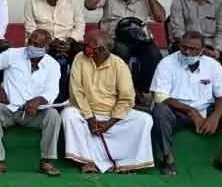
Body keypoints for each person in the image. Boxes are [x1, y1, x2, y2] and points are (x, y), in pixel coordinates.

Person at [150, 31, 222, 176]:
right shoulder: (167, 63)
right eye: (184, 47)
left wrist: (215, 117)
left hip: (207, 110)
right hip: (177, 111)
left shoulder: (212, 65)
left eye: (193, 49)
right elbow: (159, 96)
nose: (187, 52)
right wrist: (191, 112)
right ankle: (168, 158)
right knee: (160, 111)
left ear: (202, 51)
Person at [61, 31, 154, 173]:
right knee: (68, 114)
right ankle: (87, 161)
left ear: (101, 50)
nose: (84, 48)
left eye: (88, 46)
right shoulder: (79, 58)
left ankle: (126, 163)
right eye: (85, 45)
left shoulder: (119, 65)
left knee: (145, 119)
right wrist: (90, 118)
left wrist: (110, 122)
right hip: (85, 112)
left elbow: (127, 98)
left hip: (111, 115)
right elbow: (77, 92)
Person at [0, 29, 63, 176]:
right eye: (30, 41)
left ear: (46, 47)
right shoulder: (12, 54)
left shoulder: (53, 65)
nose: (31, 45)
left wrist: (39, 100)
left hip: (34, 113)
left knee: (53, 115)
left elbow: (52, 91)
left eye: (37, 44)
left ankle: (46, 161)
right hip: (9, 109)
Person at [83, 0, 165, 93]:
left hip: (140, 39)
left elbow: (161, 18)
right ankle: (120, 89)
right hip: (114, 38)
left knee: (154, 56)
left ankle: (143, 90)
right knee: (122, 51)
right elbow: (89, 5)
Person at [24, 0, 84, 93]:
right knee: (56, 60)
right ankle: (55, 96)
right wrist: (49, 42)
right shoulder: (32, 0)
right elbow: (30, 28)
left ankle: (74, 93)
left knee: (81, 55)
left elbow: (79, 24)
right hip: (42, 43)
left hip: (69, 42)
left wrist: (70, 41)